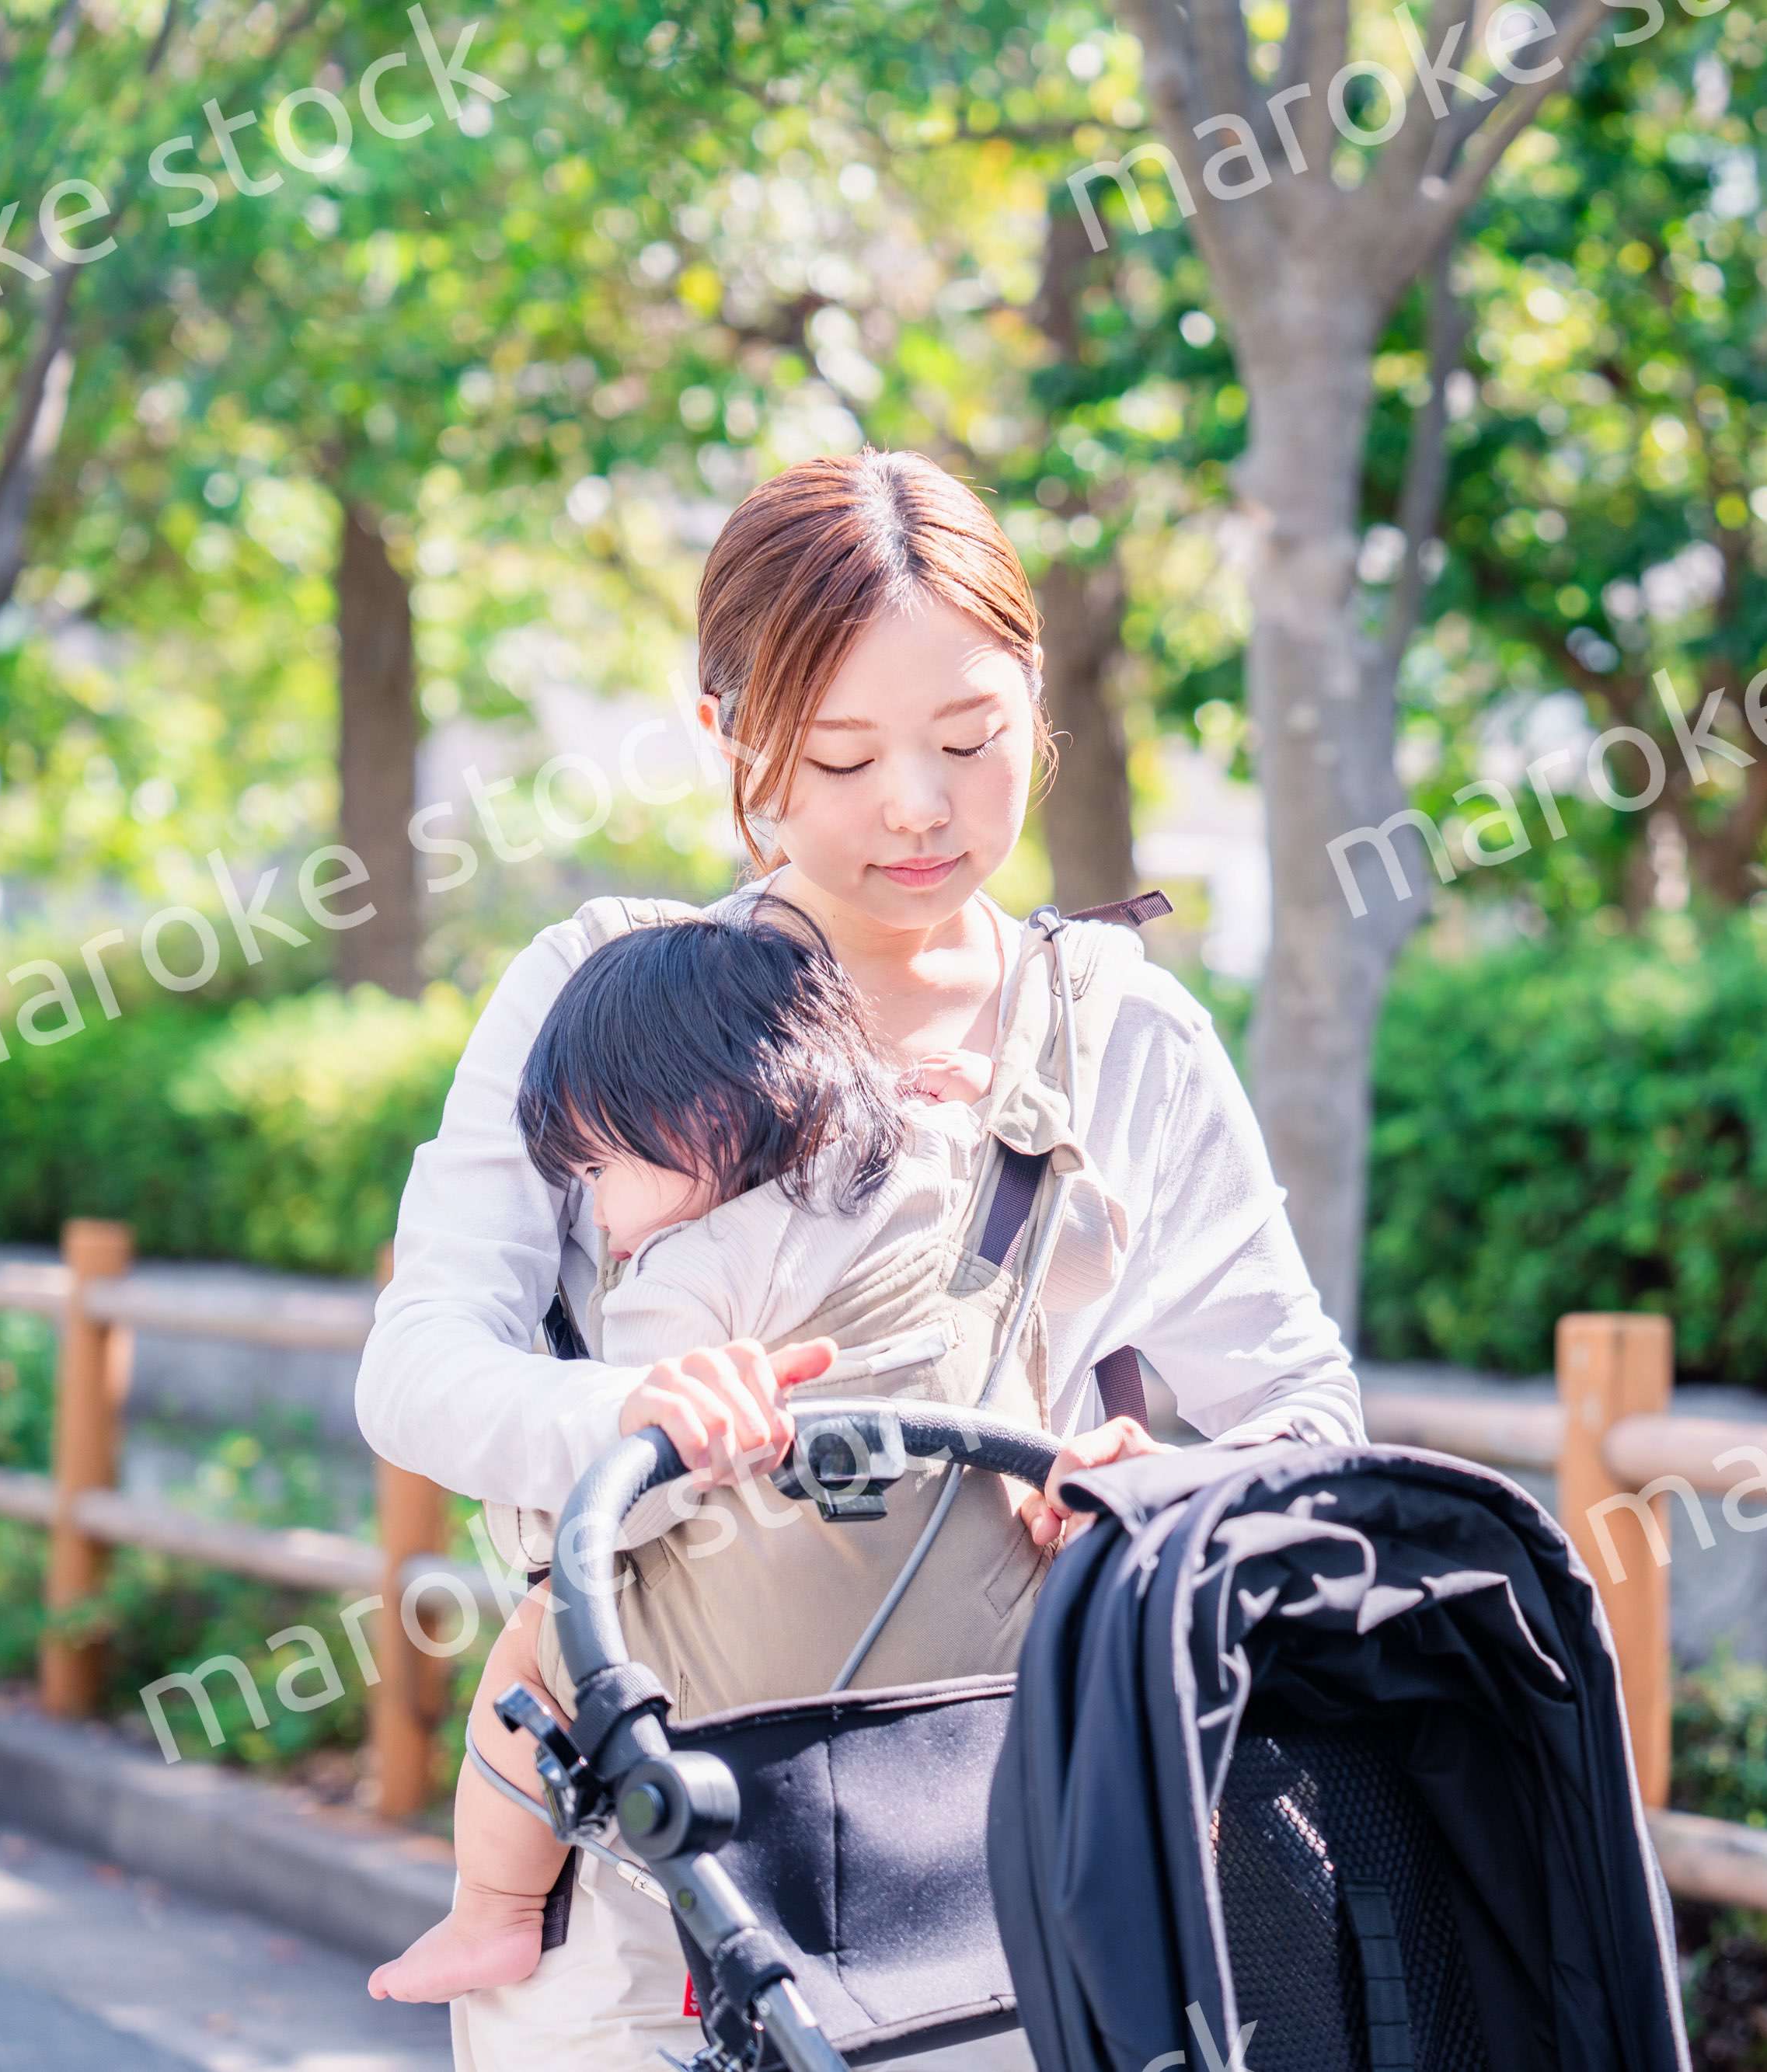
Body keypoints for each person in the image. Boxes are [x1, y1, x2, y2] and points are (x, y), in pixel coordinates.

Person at [354, 450, 1366, 2069]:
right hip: (640, 1904)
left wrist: (1160, 1487)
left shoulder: (1124, 1032)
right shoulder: (602, 993)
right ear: (726, 739)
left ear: (1034, 707)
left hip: (988, 1891)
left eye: (969, 742)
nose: (917, 802)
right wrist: (641, 1422)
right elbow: (420, 1368)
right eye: (838, 755)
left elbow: (1305, 1411)